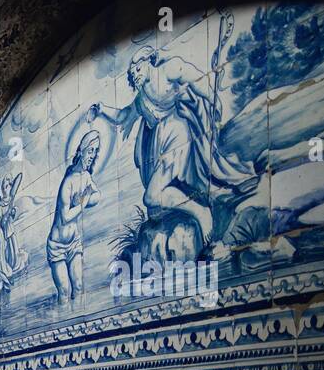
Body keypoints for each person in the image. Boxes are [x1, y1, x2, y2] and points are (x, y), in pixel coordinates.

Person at [87, 46, 255, 243]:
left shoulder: (169, 69)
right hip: (159, 143)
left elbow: (200, 81)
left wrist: (215, 102)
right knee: (154, 204)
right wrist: (100, 109)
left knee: (151, 197)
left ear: (148, 62)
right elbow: (123, 116)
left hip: (177, 137)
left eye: (137, 70)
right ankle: (191, 214)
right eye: (132, 75)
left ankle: (201, 213)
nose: (135, 76)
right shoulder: (141, 97)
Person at [47, 130, 101, 304]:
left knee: (78, 286)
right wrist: (84, 202)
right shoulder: (68, 182)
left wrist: (87, 199)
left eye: (96, 151)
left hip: (74, 242)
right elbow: (65, 217)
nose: (93, 155)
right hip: (57, 245)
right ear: (81, 151)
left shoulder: (86, 176)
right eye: (91, 150)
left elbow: (97, 195)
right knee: (64, 291)